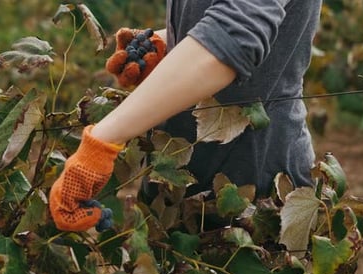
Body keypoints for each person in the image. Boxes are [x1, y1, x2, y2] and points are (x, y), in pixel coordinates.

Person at [49, 0, 323, 231]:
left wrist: (103, 140)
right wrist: (167, 43)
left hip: (254, 196)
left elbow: (233, 38)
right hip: (176, 190)